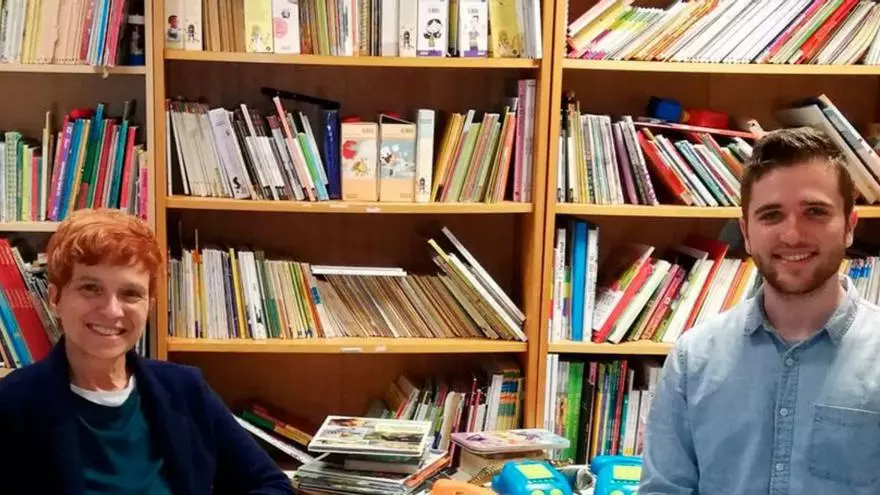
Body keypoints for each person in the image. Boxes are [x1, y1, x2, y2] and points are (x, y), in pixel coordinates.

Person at [640, 127, 880, 494]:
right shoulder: (694, 360)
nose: (792, 235)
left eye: (815, 212)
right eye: (771, 215)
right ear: (747, 233)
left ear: (849, 226)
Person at [0, 209, 294, 494]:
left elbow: (273, 485)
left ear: (149, 306)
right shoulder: (13, 402)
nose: (112, 311)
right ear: (55, 298)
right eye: (91, 288)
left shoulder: (185, 389)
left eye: (131, 293)